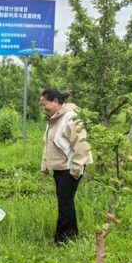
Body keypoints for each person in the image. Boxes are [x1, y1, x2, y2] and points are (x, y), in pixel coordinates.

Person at [40, 88, 93, 245]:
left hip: (70, 167)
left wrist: (76, 168)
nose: (44, 108)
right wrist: (45, 165)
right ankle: (72, 235)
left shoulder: (71, 117)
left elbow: (82, 144)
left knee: (64, 205)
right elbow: (48, 143)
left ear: (55, 101)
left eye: (45, 104)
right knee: (67, 202)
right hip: (60, 167)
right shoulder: (54, 118)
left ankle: (60, 240)